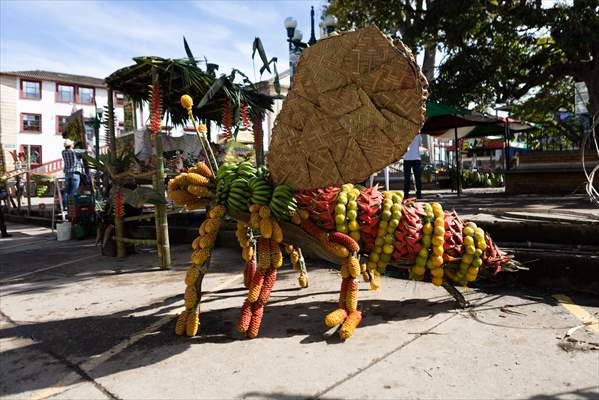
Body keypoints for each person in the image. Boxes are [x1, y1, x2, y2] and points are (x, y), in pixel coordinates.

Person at [62, 139, 85, 208]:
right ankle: (71, 206)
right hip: (75, 173)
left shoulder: (63, 152)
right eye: (72, 144)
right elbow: (86, 151)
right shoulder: (75, 151)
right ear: (71, 145)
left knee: (67, 190)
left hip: (67, 173)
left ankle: (65, 206)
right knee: (73, 191)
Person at [403, 134, 423, 199]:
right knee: (417, 178)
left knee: (407, 178)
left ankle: (406, 194)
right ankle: (418, 194)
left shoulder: (405, 135)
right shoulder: (418, 135)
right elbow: (421, 145)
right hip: (416, 158)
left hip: (407, 158)